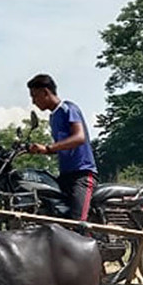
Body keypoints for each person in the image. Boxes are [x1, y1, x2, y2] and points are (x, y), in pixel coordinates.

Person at [26, 74, 96, 222]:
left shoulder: (68, 108)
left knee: (78, 223)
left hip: (82, 174)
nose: (33, 102)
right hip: (65, 175)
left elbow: (79, 137)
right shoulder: (53, 117)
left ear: (46, 92)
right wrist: (39, 150)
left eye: (35, 96)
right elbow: (61, 147)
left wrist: (48, 148)